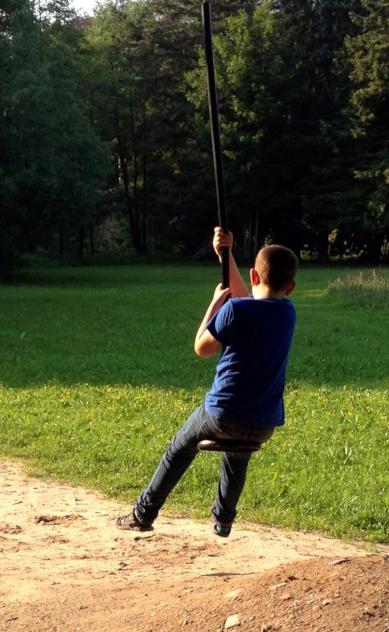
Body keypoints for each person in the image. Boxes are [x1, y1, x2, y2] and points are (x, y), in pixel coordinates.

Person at [117, 227, 298, 538]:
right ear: (291, 287)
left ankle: (143, 514)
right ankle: (223, 521)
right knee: (237, 456)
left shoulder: (234, 309)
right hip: (264, 422)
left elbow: (202, 348)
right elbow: (247, 299)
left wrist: (215, 304)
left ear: (254, 275)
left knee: (179, 449)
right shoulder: (288, 312)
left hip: (221, 414)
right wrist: (224, 255)